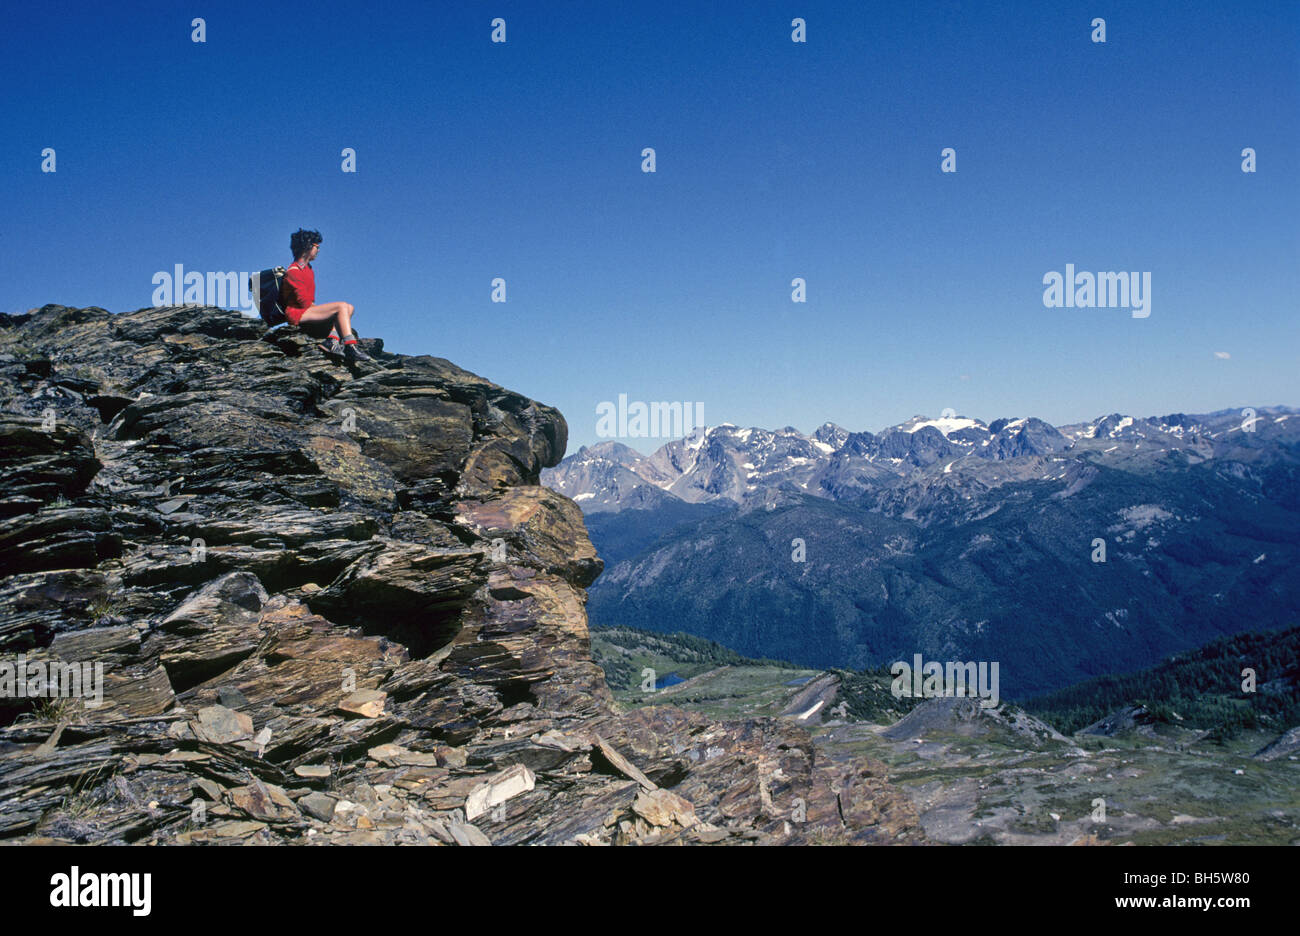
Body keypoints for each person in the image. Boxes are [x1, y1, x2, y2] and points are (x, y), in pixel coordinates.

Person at [280, 228, 371, 362]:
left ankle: (332, 341)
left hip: (306, 310)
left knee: (348, 307)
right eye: (317, 246)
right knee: (341, 307)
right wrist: (326, 311)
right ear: (307, 247)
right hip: (297, 314)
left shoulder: (307, 269)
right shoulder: (294, 272)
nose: (319, 250)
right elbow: (303, 303)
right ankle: (350, 346)